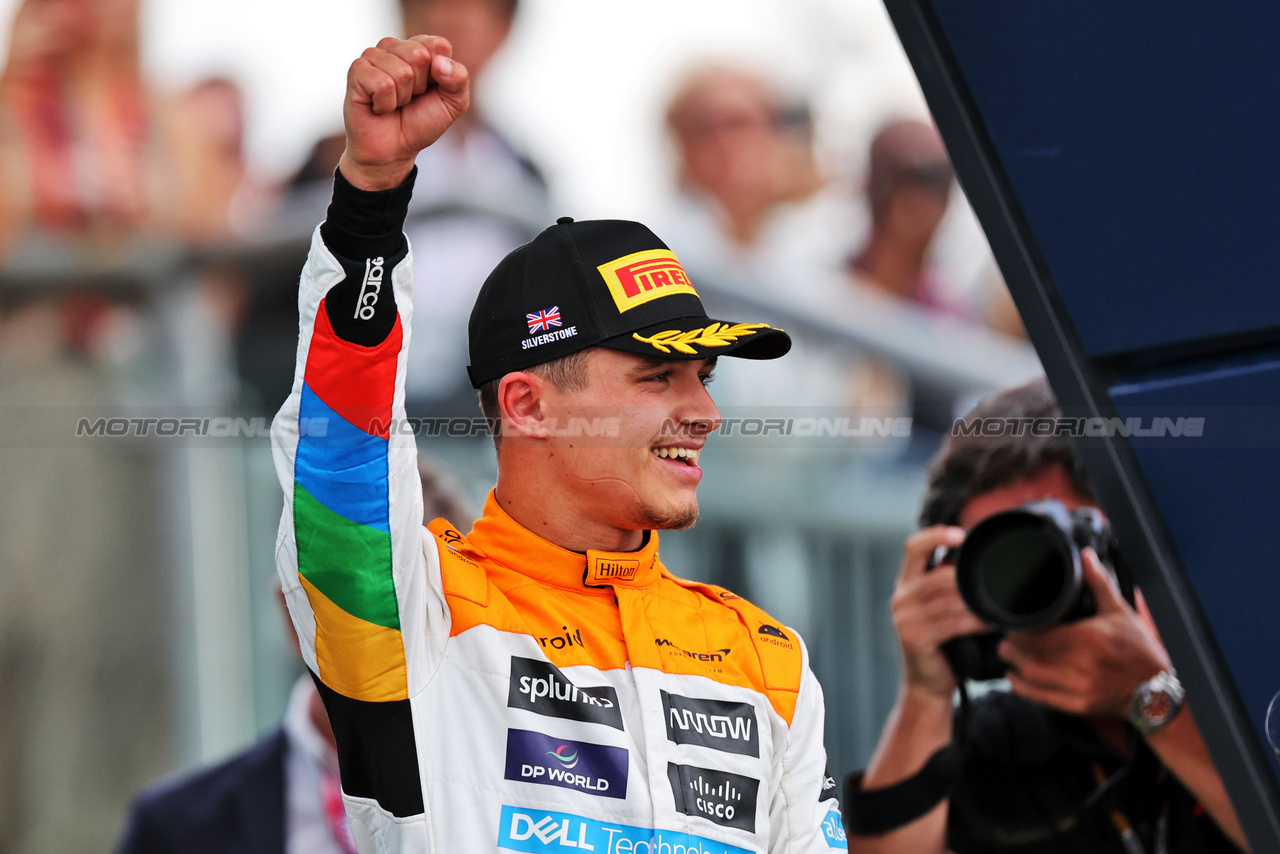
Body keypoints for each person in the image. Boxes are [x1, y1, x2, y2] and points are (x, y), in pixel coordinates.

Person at [270, 36, 846, 853]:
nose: (703, 412)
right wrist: (369, 199)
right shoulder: (416, 617)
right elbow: (339, 445)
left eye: (705, 378)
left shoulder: (768, 659)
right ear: (527, 404)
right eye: (658, 377)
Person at [844, 379, 1248, 853]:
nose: (1039, 585)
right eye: (1004, 558)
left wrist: (1149, 695)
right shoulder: (996, 744)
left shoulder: (1252, 694)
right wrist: (925, 692)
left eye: (1060, 543)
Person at [115, 459, 475, 854]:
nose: (390, 638)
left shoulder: (528, 806)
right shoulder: (176, 831)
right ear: (293, 615)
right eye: (357, 605)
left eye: (424, 607)